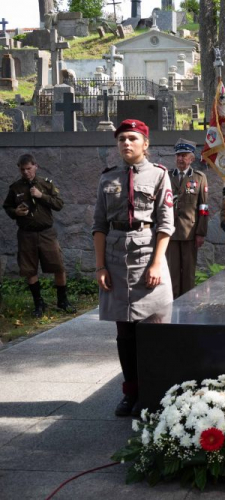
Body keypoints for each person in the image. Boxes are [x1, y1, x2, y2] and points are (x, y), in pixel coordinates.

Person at [92, 119, 174, 416]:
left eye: (132, 138)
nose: (126, 144)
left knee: (152, 331)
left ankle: (153, 393)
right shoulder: (107, 179)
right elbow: (99, 225)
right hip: (115, 257)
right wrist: (100, 266)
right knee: (124, 332)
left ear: (145, 143)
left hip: (147, 254)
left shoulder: (158, 175)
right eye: (122, 139)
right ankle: (130, 393)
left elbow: (166, 225)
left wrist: (156, 264)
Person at [3, 154, 76, 317]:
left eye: (28, 169)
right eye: (22, 169)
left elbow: (59, 204)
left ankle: (62, 301)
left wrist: (40, 195)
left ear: (36, 166)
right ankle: (39, 304)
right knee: (29, 270)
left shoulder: (45, 184)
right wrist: (15, 212)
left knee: (58, 266)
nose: (26, 172)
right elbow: (7, 207)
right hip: (26, 234)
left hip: (47, 233)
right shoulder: (15, 188)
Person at [166, 139, 208, 298]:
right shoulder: (167, 176)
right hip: (170, 232)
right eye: (178, 155)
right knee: (172, 271)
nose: (180, 159)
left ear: (191, 158)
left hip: (190, 232)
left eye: (184, 155)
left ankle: (188, 303)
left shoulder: (199, 177)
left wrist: (200, 233)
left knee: (189, 272)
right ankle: (173, 303)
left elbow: (203, 207)